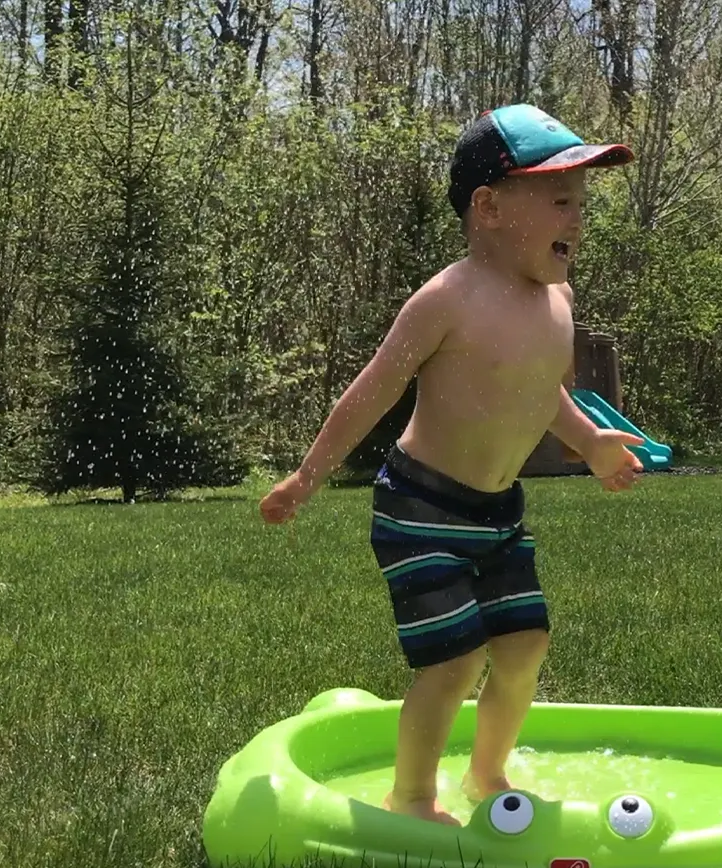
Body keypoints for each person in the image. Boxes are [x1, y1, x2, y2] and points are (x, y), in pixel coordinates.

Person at [260, 103, 645, 825]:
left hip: (497, 513)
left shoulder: (556, 300)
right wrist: (306, 476)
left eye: (581, 202)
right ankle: (409, 797)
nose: (578, 218)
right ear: (489, 207)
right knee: (454, 661)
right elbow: (370, 391)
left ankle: (486, 772)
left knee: (526, 644)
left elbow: (542, 392)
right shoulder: (447, 299)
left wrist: (590, 441)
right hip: (420, 510)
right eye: (560, 200)